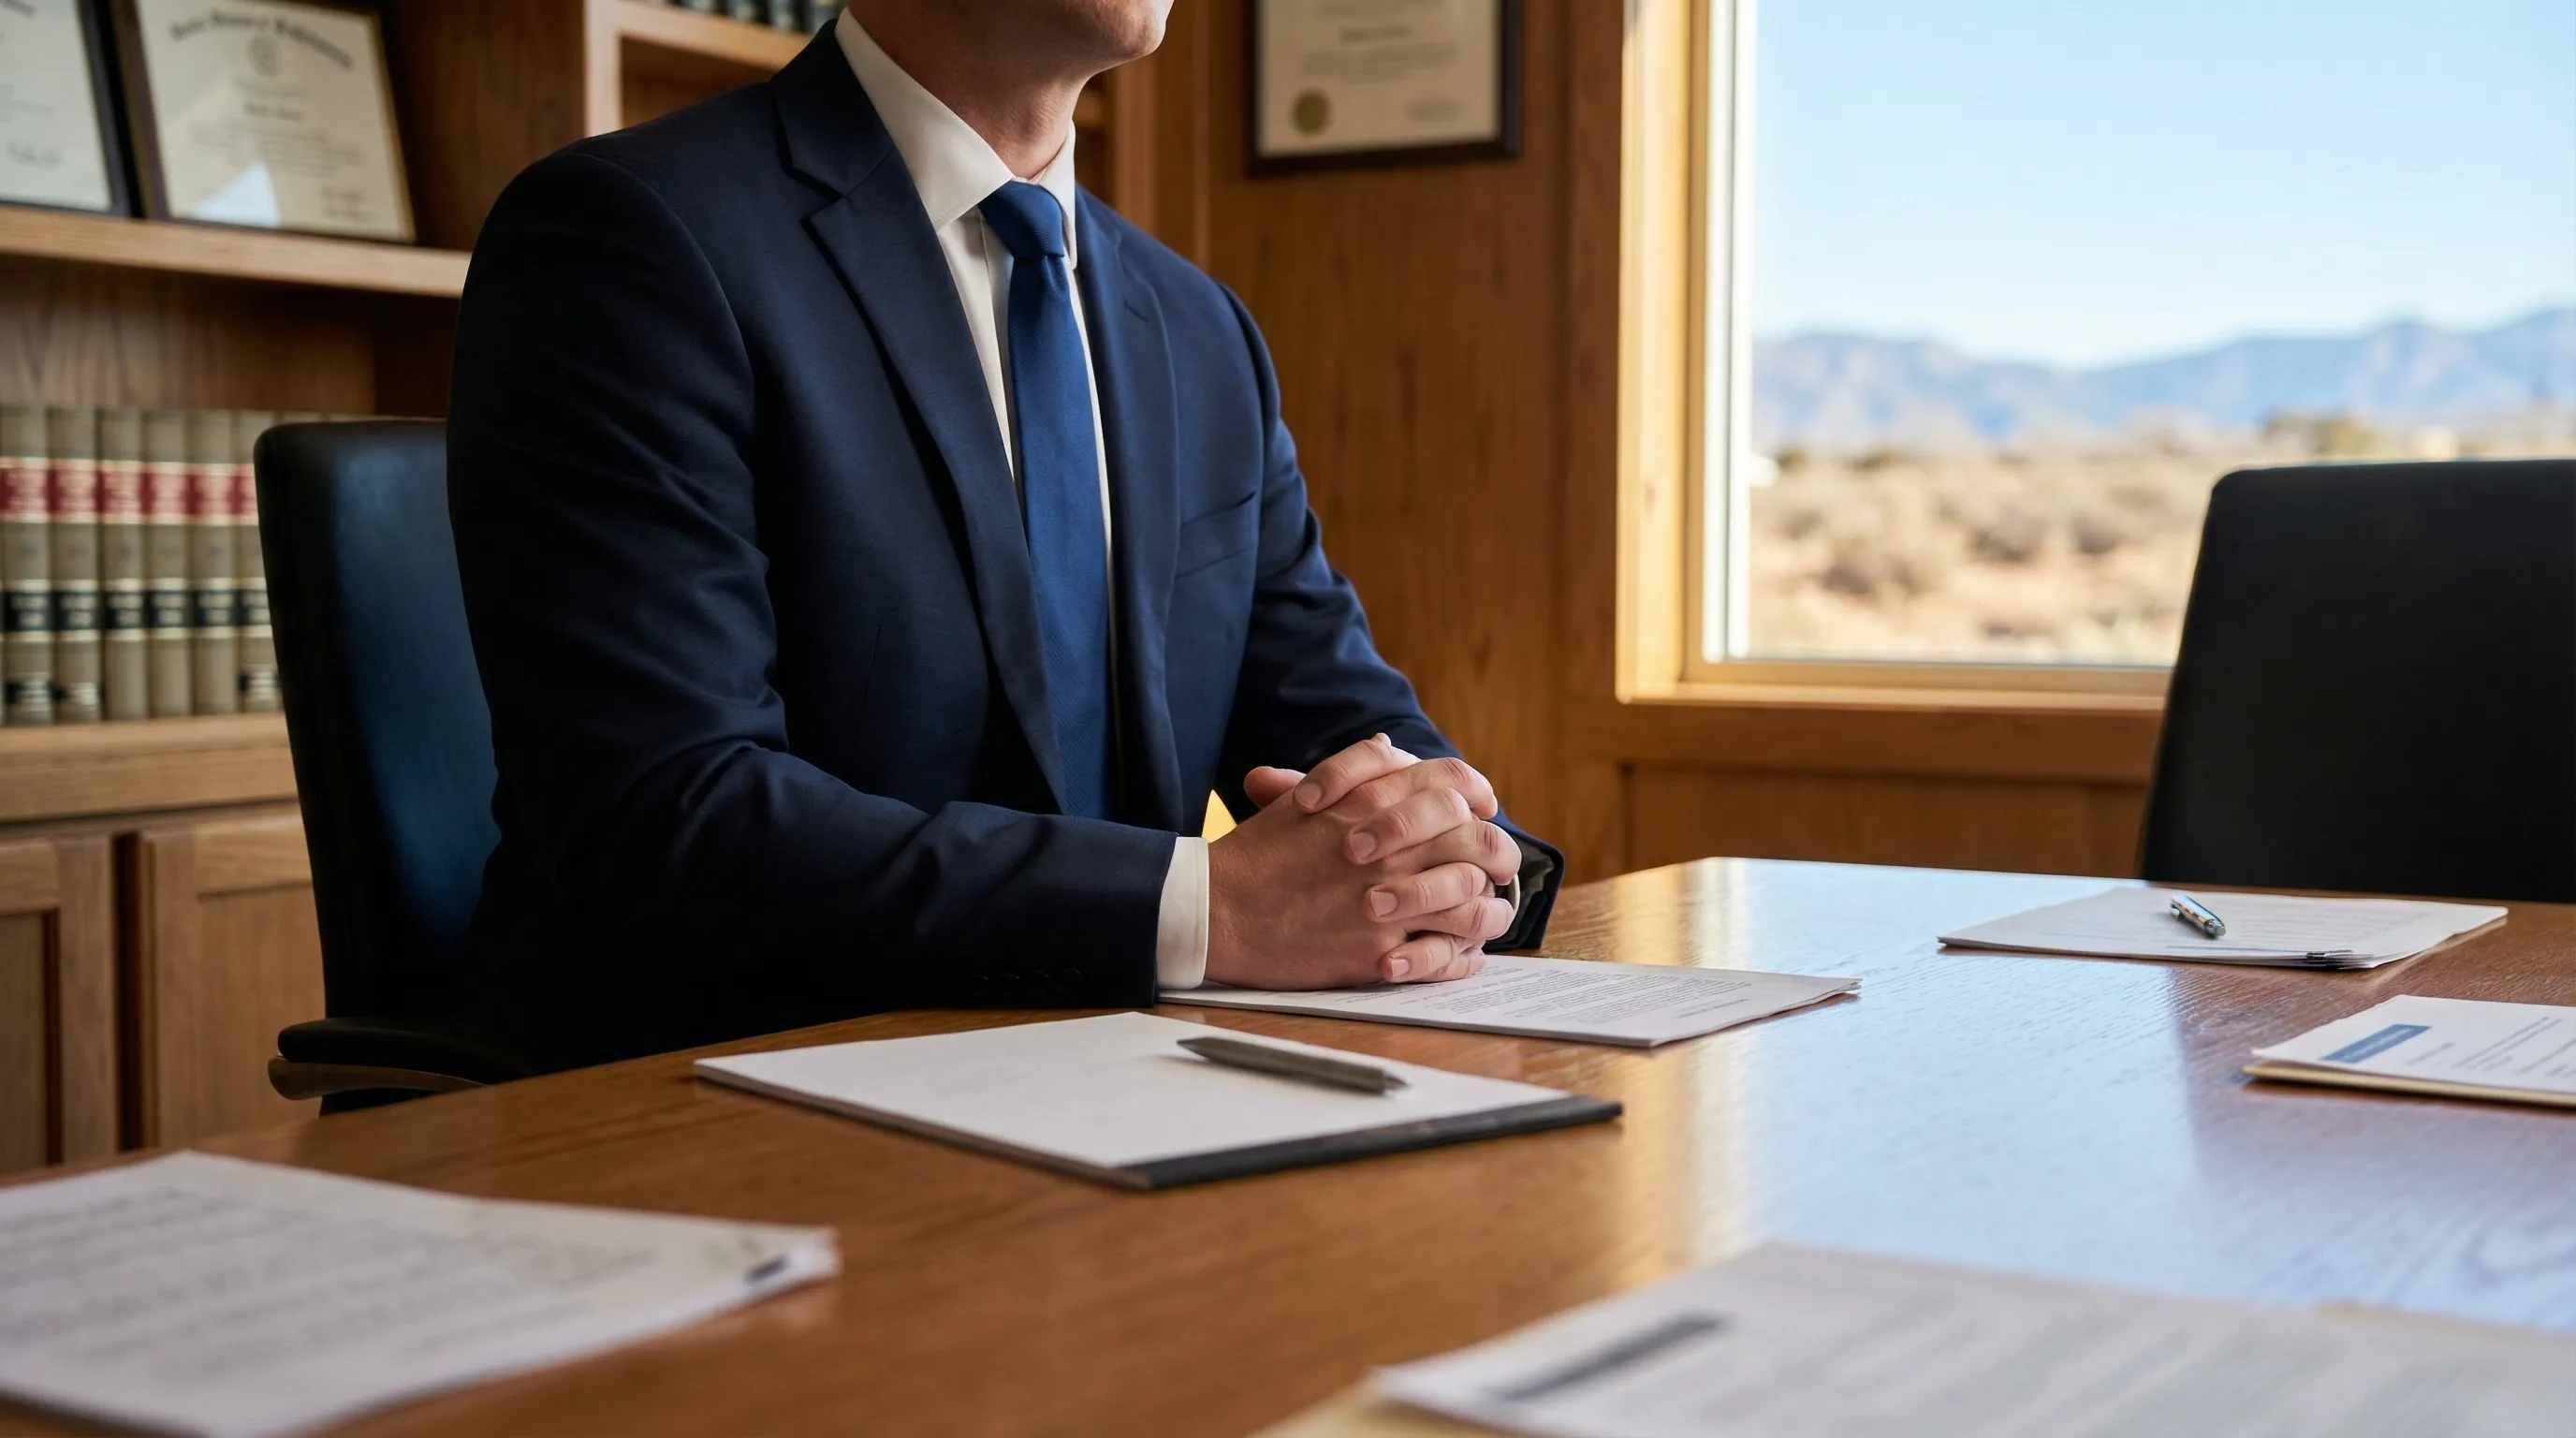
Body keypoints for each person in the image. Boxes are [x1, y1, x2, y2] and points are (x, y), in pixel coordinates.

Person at [444, 0, 1561, 1070]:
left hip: (1124, 1081)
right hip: (723, 1091)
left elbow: (1344, 719)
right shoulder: (631, 236)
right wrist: (1209, 910)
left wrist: (1453, 862)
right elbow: (667, 813)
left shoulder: (1199, 328)